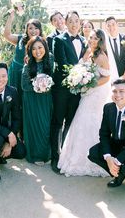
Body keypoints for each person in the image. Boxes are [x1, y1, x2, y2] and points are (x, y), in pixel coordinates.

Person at [58, 29, 111, 177]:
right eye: (91, 37)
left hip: (97, 92)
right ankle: (77, 157)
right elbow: (81, 67)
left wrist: (90, 85)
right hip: (88, 90)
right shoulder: (88, 51)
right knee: (82, 120)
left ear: (100, 41)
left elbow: (107, 78)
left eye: (96, 38)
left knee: (90, 120)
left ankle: (93, 159)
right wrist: (80, 79)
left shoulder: (101, 56)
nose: (93, 40)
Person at [50, 11, 88, 173]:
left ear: (80, 23)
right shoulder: (58, 40)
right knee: (58, 122)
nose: (74, 24)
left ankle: (65, 155)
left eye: (76, 21)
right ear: (65, 23)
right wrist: (79, 75)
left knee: (71, 123)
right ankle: (54, 155)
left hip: (78, 90)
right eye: (70, 21)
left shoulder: (84, 41)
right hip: (62, 89)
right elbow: (63, 64)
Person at [21, 36, 53, 165]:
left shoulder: (50, 60)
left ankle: (46, 153)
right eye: (33, 49)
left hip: (45, 99)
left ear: (45, 48)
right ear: (30, 50)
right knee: (33, 126)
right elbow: (24, 86)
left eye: (40, 47)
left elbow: (53, 79)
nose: (37, 51)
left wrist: (47, 84)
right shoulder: (28, 64)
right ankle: (35, 155)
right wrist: (38, 85)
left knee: (45, 126)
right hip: (32, 100)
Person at [3, 12, 43, 105]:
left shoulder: (42, 42)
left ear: (40, 30)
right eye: (30, 28)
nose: (33, 31)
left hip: (31, 74)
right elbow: (7, 35)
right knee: (14, 98)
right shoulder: (20, 39)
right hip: (16, 72)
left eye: (36, 28)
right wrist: (10, 18)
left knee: (27, 100)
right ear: (26, 30)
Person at [104, 16, 125, 82]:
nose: (111, 27)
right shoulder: (104, 42)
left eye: (113, 24)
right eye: (108, 25)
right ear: (106, 27)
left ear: (117, 25)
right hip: (111, 78)